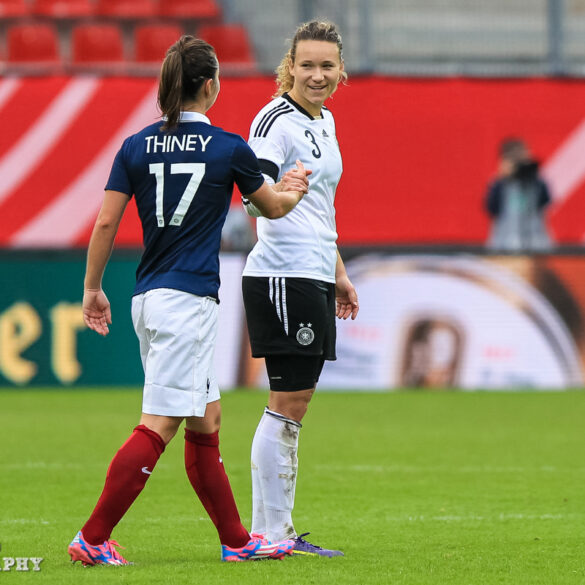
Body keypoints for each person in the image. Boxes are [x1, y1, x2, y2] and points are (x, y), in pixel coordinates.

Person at [67, 35, 311, 567]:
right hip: (189, 301)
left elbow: (107, 220)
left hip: (148, 297)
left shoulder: (134, 146)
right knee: (160, 422)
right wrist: (294, 187)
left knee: (207, 419)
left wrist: (92, 288)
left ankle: (237, 541)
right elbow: (269, 209)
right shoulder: (227, 147)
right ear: (209, 85)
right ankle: (92, 537)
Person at [240, 20, 359, 557]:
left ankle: (271, 534)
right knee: (289, 400)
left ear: (341, 70)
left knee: (296, 401)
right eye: (306, 65)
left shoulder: (327, 121)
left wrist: (338, 272)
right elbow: (253, 191)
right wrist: (278, 197)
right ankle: (271, 534)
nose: (317, 75)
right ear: (289, 66)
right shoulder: (274, 121)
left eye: (326, 66)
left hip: (312, 271)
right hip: (282, 273)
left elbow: (320, 209)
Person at [485, 137, 554, 251]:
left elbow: (546, 201)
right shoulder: (499, 184)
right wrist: (502, 178)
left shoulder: (537, 183)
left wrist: (533, 176)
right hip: (504, 243)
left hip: (536, 242)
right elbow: (492, 208)